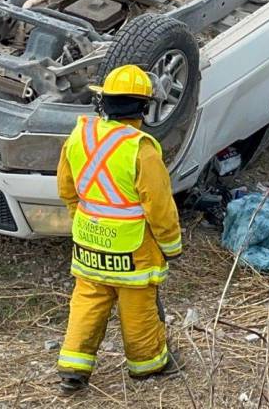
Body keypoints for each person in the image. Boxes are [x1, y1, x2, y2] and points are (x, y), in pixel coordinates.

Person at [55, 65, 184, 392]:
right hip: (132, 250)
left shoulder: (80, 134)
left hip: (88, 244)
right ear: (143, 107)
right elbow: (159, 206)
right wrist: (171, 247)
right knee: (137, 306)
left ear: (104, 101)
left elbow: (66, 187)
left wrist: (83, 218)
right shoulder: (141, 149)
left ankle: (73, 367)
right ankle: (149, 364)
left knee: (87, 300)